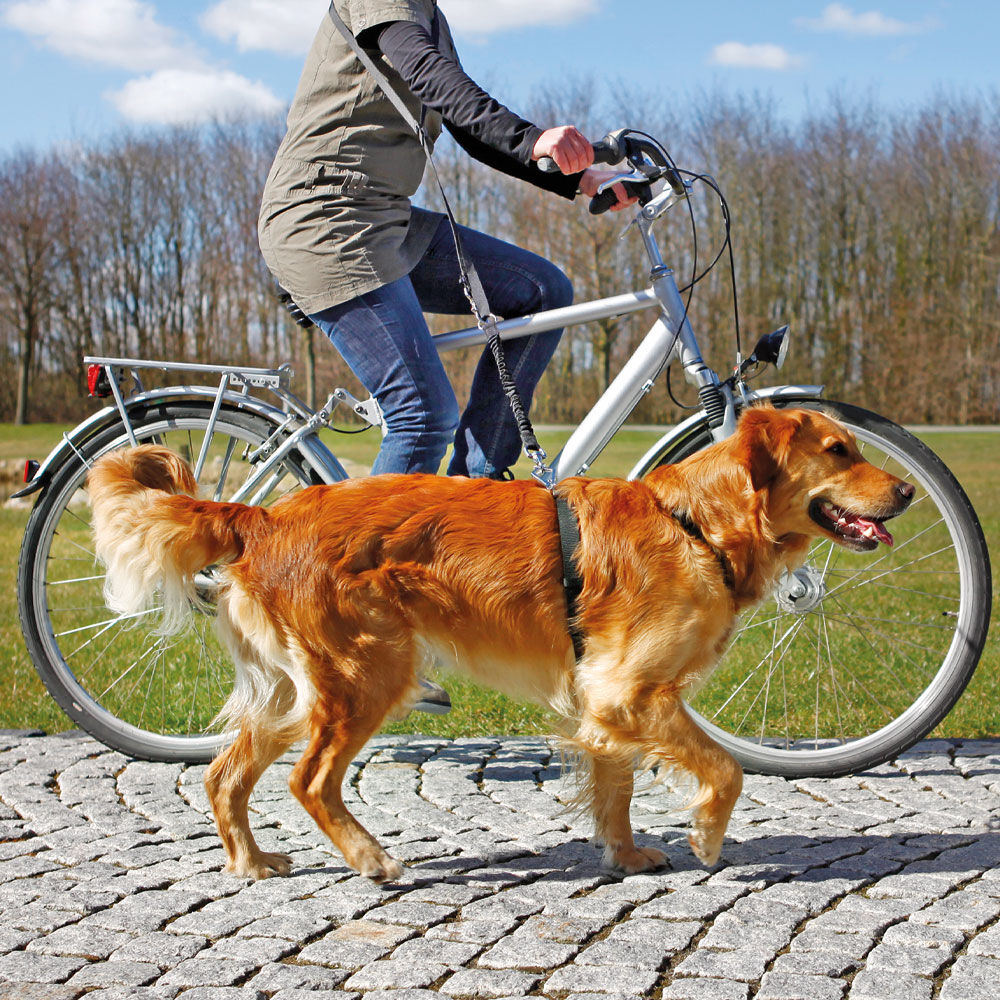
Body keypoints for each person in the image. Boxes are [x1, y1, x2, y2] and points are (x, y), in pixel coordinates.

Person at [258, 0, 636, 481]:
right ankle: (357, 558)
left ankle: (473, 489)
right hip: (326, 218)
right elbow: (426, 72)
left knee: (543, 293)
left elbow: (466, 126)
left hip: (386, 219)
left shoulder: (429, 14)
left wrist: (579, 179)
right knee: (422, 418)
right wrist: (534, 138)